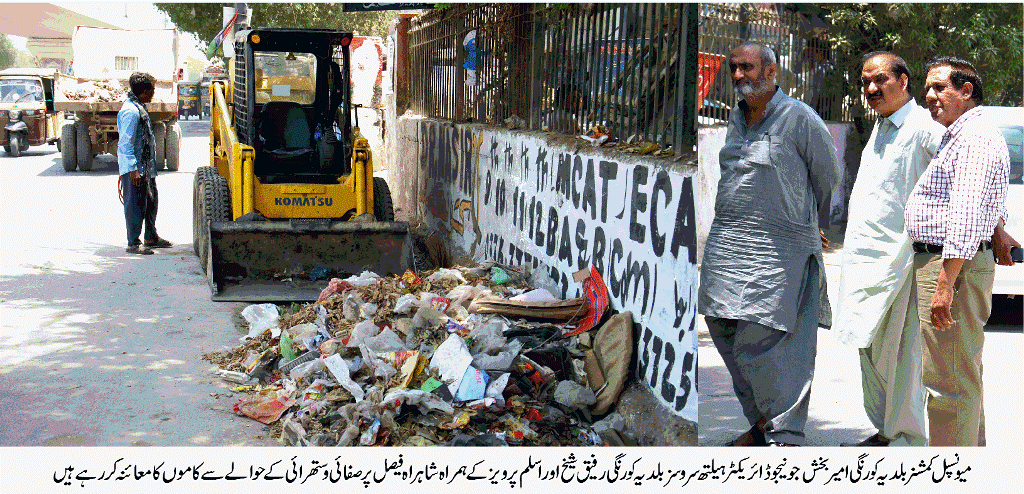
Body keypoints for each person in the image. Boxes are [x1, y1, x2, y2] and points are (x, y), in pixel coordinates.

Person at [699, 41, 840, 447]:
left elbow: (827, 176)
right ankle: (761, 423)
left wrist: (806, 220)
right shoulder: (735, 117)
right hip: (728, 246)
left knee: (773, 342)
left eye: (747, 67)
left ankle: (785, 433)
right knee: (722, 325)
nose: (739, 75)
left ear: (772, 71)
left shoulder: (800, 118)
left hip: (780, 251)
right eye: (734, 67)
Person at [835, 52, 946, 447]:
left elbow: (960, 176)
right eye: (865, 81)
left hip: (900, 263)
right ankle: (885, 431)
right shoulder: (882, 127)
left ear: (903, 81)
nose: (871, 88)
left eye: (880, 79)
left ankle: (905, 439)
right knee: (869, 350)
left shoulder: (923, 128)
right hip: (864, 261)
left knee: (900, 356)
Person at [905, 56, 1016, 446]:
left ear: (966, 91)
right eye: (927, 88)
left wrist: (944, 285)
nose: (929, 95)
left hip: (950, 263)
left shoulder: (973, 136)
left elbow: (966, 213)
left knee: (948, 383)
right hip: (952, 261)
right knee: (960, 375)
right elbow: (980, 198)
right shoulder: (966, 132)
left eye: (939, 87)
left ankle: (953, 471)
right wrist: (998, 229)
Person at [118, 71, 172, 255]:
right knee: (135, 205)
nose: (153, 94)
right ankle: (133, 243)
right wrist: (133, 169)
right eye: (152, 90)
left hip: (146, 168)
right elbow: (126, 143)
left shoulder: (138, 107)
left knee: (150, 202)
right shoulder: (131, 112)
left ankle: (151, 237)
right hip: (136, 169)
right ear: (145, 91)